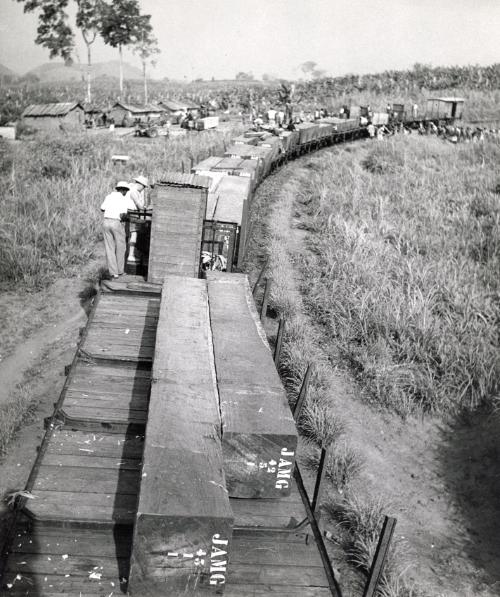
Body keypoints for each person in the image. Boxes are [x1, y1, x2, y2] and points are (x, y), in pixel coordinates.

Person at [101, 181, 136, 278]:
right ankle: (120, 271)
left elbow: (102, 208)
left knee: (109, 248)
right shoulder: (124, 198)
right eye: (126, 191)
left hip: (106, 222)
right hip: (116, 223)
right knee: (121, 247)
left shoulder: (109, 196)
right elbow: (132, 209)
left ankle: (113, 272)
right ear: (124, 190)